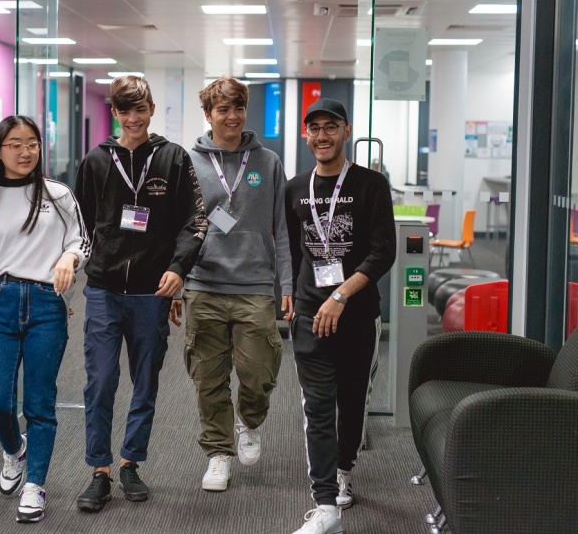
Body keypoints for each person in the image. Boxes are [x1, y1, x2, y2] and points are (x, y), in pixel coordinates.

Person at [73, 75, 207, 512]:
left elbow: (196, 221)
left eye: (140, 109)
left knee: (145, 381)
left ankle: (131, 462)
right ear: (114, 112)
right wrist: (76, 265)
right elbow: (80, 224)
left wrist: (177, 269)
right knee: (100, 381)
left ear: (151, 109)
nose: (133, 118)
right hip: (104, 290)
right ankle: (99, 470)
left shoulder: (172, 158)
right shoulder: (96, 161)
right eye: (124, 110)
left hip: (153, 291)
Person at [0, 115, 89, 524]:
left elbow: (81, 240)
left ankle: (35, 485)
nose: (25, 151)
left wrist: (70, 257)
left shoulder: (57, 194)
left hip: (46, 305)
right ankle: (15, 449)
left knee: (39, 402)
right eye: (15, 144)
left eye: (31, 143)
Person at [175, 77, 292, 492]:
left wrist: (287, 284)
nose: (232, 116)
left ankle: (249, 421)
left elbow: (281, 227)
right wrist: (176, 281)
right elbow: (179, 227)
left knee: (258, 371)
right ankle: (218, 453)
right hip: (203, 284)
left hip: (256, 283)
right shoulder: (188, 161)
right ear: (208, 115)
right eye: (222, 109)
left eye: (238, 107)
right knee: (207, 375)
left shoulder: (268, 162)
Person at [284, 98, 396, 534]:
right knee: (316, 406)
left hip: (357, 313)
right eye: (315, 128)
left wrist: (343, 295)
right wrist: (290, 294)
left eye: (331, 127)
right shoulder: (295, 189)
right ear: (305, 134)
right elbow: (292, 252)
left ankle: (344, 469)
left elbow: (382, 250)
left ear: (346, 132)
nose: (323, 136)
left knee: (351, 404)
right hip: (312, 313)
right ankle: (325, 503)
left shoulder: (371, 185)